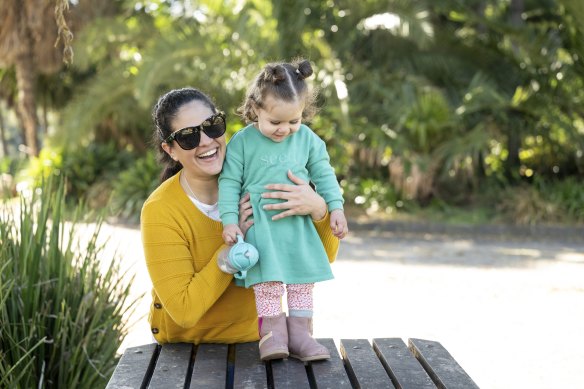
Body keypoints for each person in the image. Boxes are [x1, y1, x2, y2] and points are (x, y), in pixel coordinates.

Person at [141, 87, 339, 347]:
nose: (205, 141)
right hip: (188, 349)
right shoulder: (161, 209)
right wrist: (232, 248)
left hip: (259, 342)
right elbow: (184, 311)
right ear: (171, 150)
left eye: (212, 126)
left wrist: (319, 210)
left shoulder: (263, 181)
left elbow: (323, 257)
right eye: (188, 137)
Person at [218, 59, 348, 362]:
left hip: (298, 229)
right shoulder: (242, 143)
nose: (284, 130)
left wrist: (336, 209)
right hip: (262, 231)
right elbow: (228, 183)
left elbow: (325, 176)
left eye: (294, 121)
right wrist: (229, 221)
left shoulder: (309, 141)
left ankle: (302, 336)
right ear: (255, 109)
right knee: (268, 285)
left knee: (302, 283)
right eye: (275, 123)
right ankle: (272, 336)